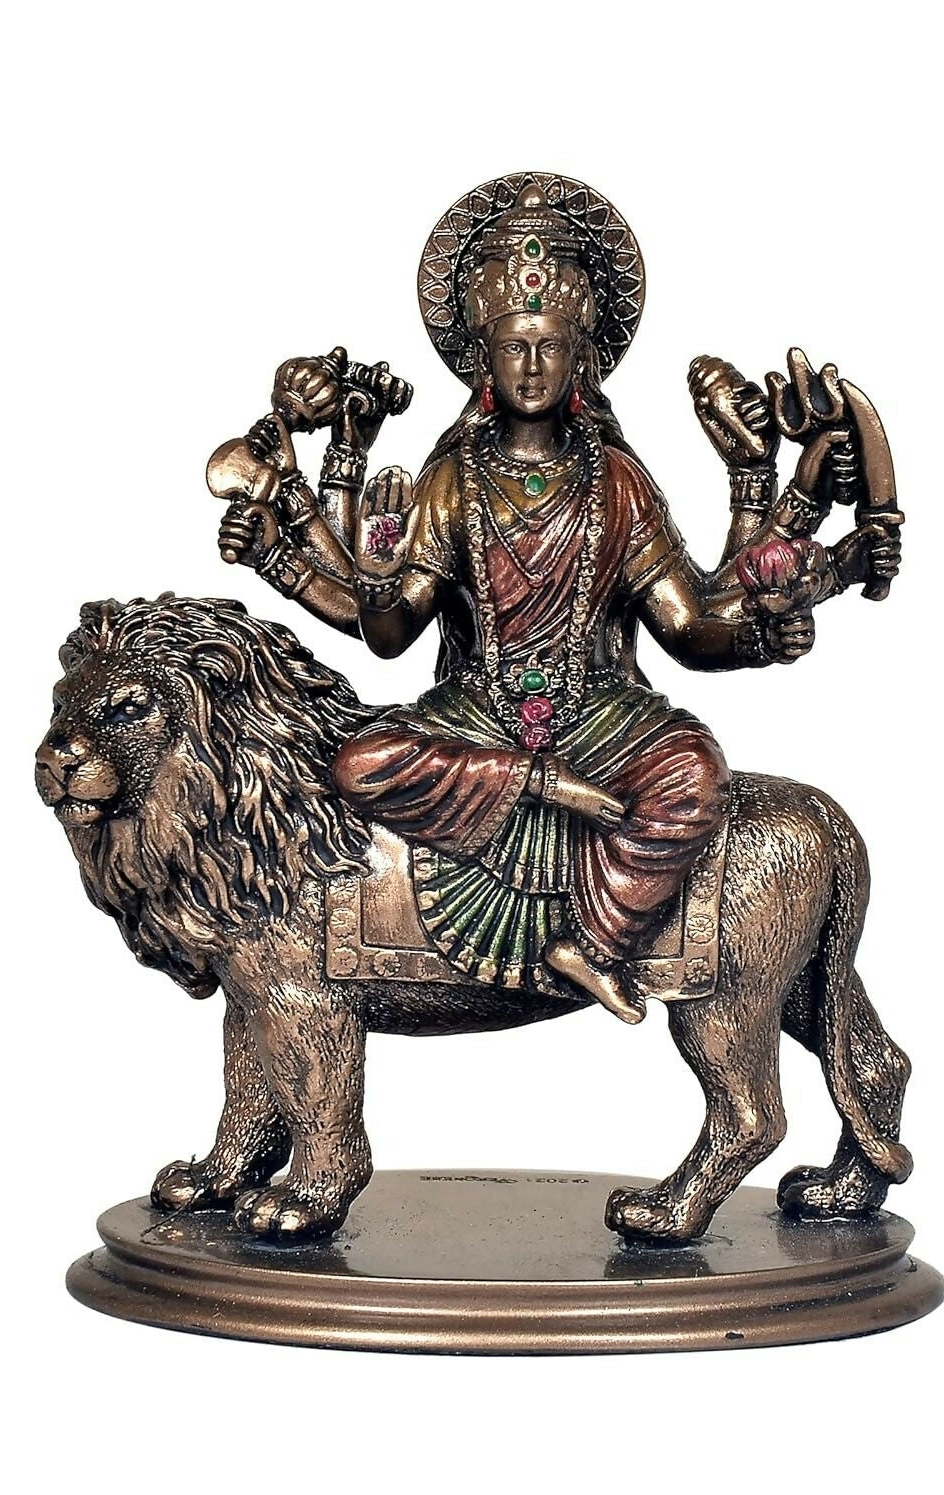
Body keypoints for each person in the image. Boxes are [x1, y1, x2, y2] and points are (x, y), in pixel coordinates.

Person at [211, 182, 894, 1023]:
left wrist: (759, 635)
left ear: (581, 360)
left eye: (550, 348)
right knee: (357, 763)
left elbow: (686, 624)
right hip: (479, 715)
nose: (531, 367)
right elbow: (390, 635)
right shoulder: (452, 480)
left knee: (697, 772)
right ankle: (535, 783)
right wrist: (371, 574)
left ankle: (596, 943)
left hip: (600, 712)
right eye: (513, 348)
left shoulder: (617, 480)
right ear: (483, 361)